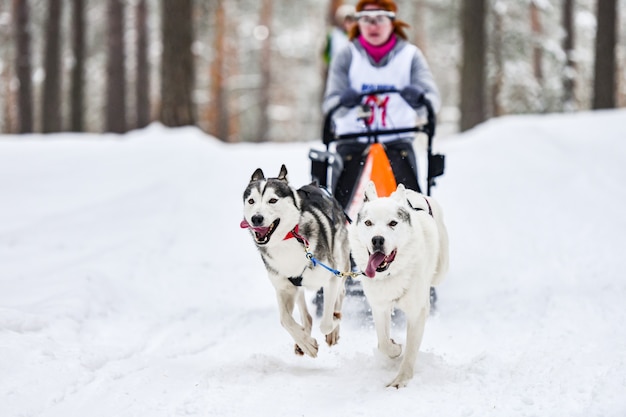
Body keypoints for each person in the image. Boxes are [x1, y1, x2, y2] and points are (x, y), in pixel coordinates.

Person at [322, 0, 441, 211]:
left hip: (398, 141)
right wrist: (343, 102)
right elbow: (331, 105)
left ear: (392, 23)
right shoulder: (346, 56)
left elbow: (431, 103)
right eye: (366, 20)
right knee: (337, 213)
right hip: (352, 142)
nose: (373, 26)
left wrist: (419, 98)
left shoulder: (410, 56)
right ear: (359, 23)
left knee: (414, 209)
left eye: (379, 19)